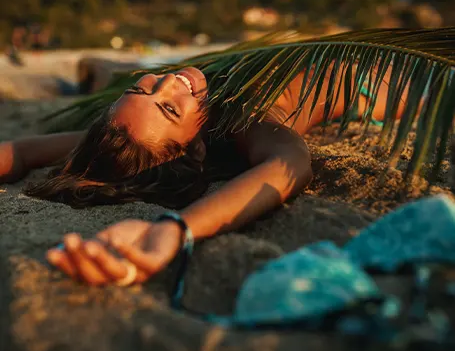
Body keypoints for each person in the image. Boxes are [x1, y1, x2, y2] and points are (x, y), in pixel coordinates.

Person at [0, 63, 409, 287]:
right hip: (380, 81)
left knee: (100, 67)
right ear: (194, 146)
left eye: (142, 90)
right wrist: (177, 230)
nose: (167, 84)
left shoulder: (147, 120)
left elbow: (21, 151)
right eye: (170, 108)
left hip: (255, 58)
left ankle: (102, 72)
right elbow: (289, 166)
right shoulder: (243, 121)